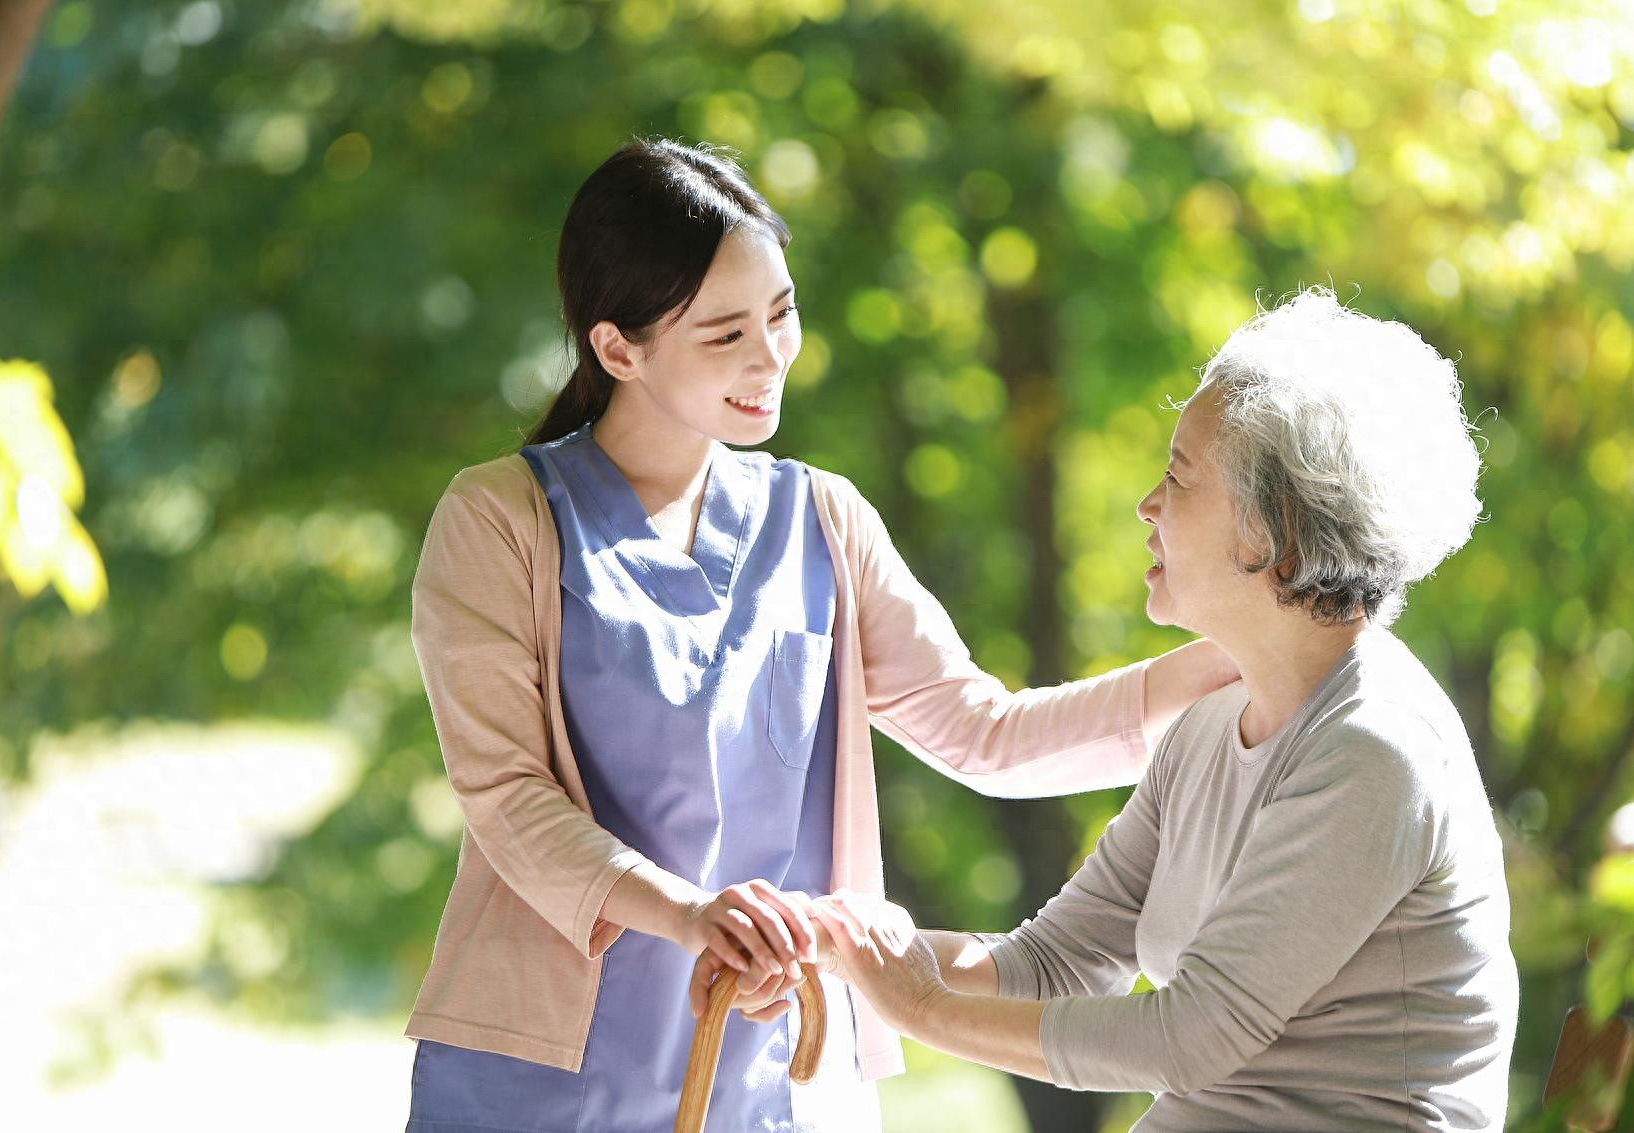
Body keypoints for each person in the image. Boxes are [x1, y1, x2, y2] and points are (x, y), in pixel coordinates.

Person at [401, 137, 1235, 1133]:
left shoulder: (821, 519)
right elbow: (507, 798)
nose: (767, 359)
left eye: (780, 314)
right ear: (617, 348)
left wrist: (1242, 650)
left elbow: (984, 730)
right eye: (723, 335)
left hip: (778, 1073)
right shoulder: (500, 519)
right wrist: (689, 913)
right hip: (542, 1080)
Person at [792, 288, 1520, 1131]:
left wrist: (920, 1005)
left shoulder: (1373, 748)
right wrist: (842, 951)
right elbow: (1059, 959)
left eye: (1177, 476)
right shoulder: (1212, 724)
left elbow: (1190, 1035)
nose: (1147, 504)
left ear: (1271, 532)